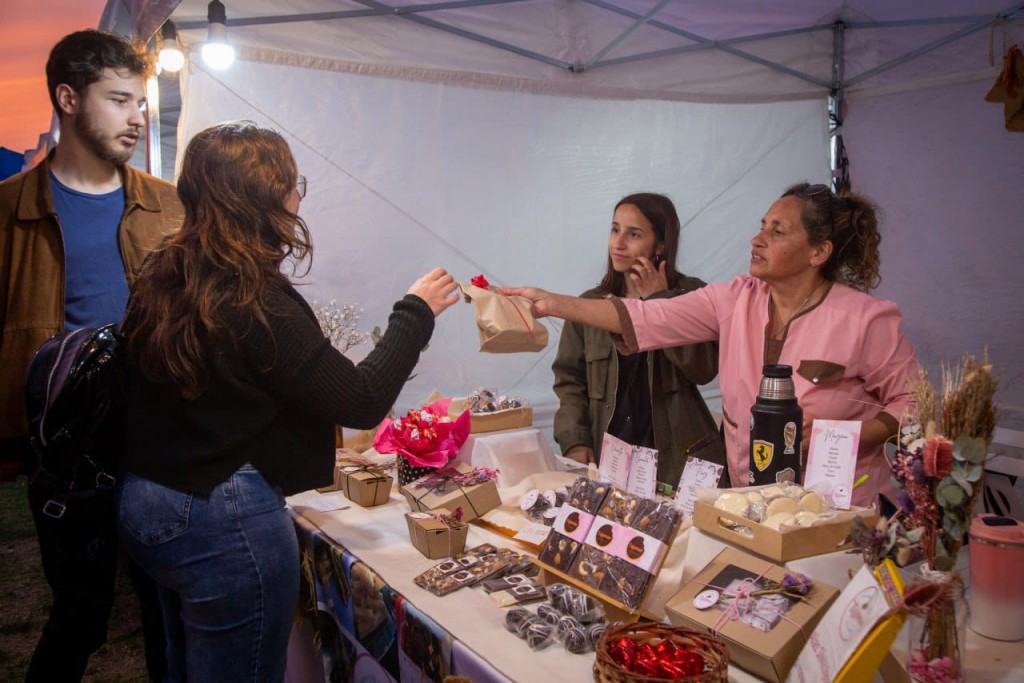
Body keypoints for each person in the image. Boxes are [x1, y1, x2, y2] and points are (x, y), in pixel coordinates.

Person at [115, 120, 459, 681]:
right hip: (219, 517)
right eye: (292, 182)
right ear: (264, 197)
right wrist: (415, 311)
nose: (299, 195)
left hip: (149, 502)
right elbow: (360, 398)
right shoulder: (251, 295)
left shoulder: (166, 271)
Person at [507, 183, 918, 508]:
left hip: (835, 504)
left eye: (777, 232)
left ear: (819, 252)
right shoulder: (734, 298)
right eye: (761, 226)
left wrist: (845, 436)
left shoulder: (865, 319)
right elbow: (647, 317)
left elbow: (913, 404)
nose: (757, 240)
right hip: (747, 498)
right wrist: (553, 303)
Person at [0, 29, 180, 681]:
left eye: (141, 101)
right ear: (69, 98)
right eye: (120, 100)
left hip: (159, 445)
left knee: (167, 610)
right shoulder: (9, 211)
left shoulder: (167, 204)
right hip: (70, 459)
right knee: (79, 615)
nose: (138, 117)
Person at [552, 192, 725, 489]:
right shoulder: (591, 305)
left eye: (634, 234)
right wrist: (574, 439)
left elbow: (703, 370)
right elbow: (569, 380)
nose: (618, 243)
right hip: (610, 456)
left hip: (677, 459)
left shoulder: (692, 294)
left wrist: (660, 301)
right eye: (615, 229)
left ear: (660, 244)